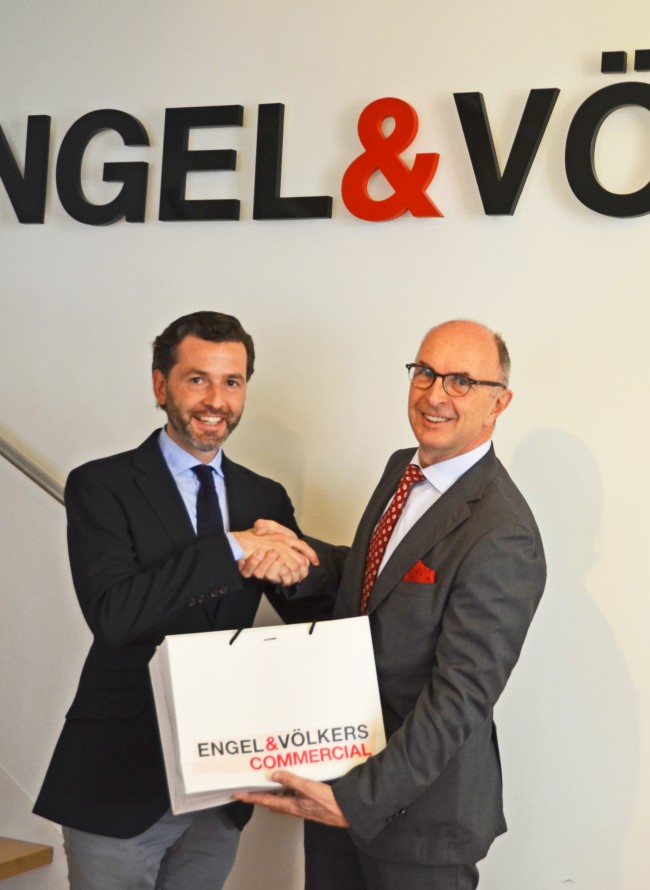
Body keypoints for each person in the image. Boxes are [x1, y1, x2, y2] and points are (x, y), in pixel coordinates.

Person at [237, 320, 547, 890]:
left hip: (417, 823)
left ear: (498, 402)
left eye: (461, 381)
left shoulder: (503, 533)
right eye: (425, 372)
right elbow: (372, 584)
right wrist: (296, 557)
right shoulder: (403, 468)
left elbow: (459, 699)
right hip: (337, 779)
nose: (434, 394)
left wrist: (357, 800)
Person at [33, 310, 320, 890]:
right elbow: (115, 614)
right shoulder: (100, 485)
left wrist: (300, 568)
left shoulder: (263, 496)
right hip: (118, 779)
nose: (216, 400)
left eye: (232, 382)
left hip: (220, 782)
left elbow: (307, 610)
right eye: (197, 379)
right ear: (160, 385)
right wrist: (231, 547)